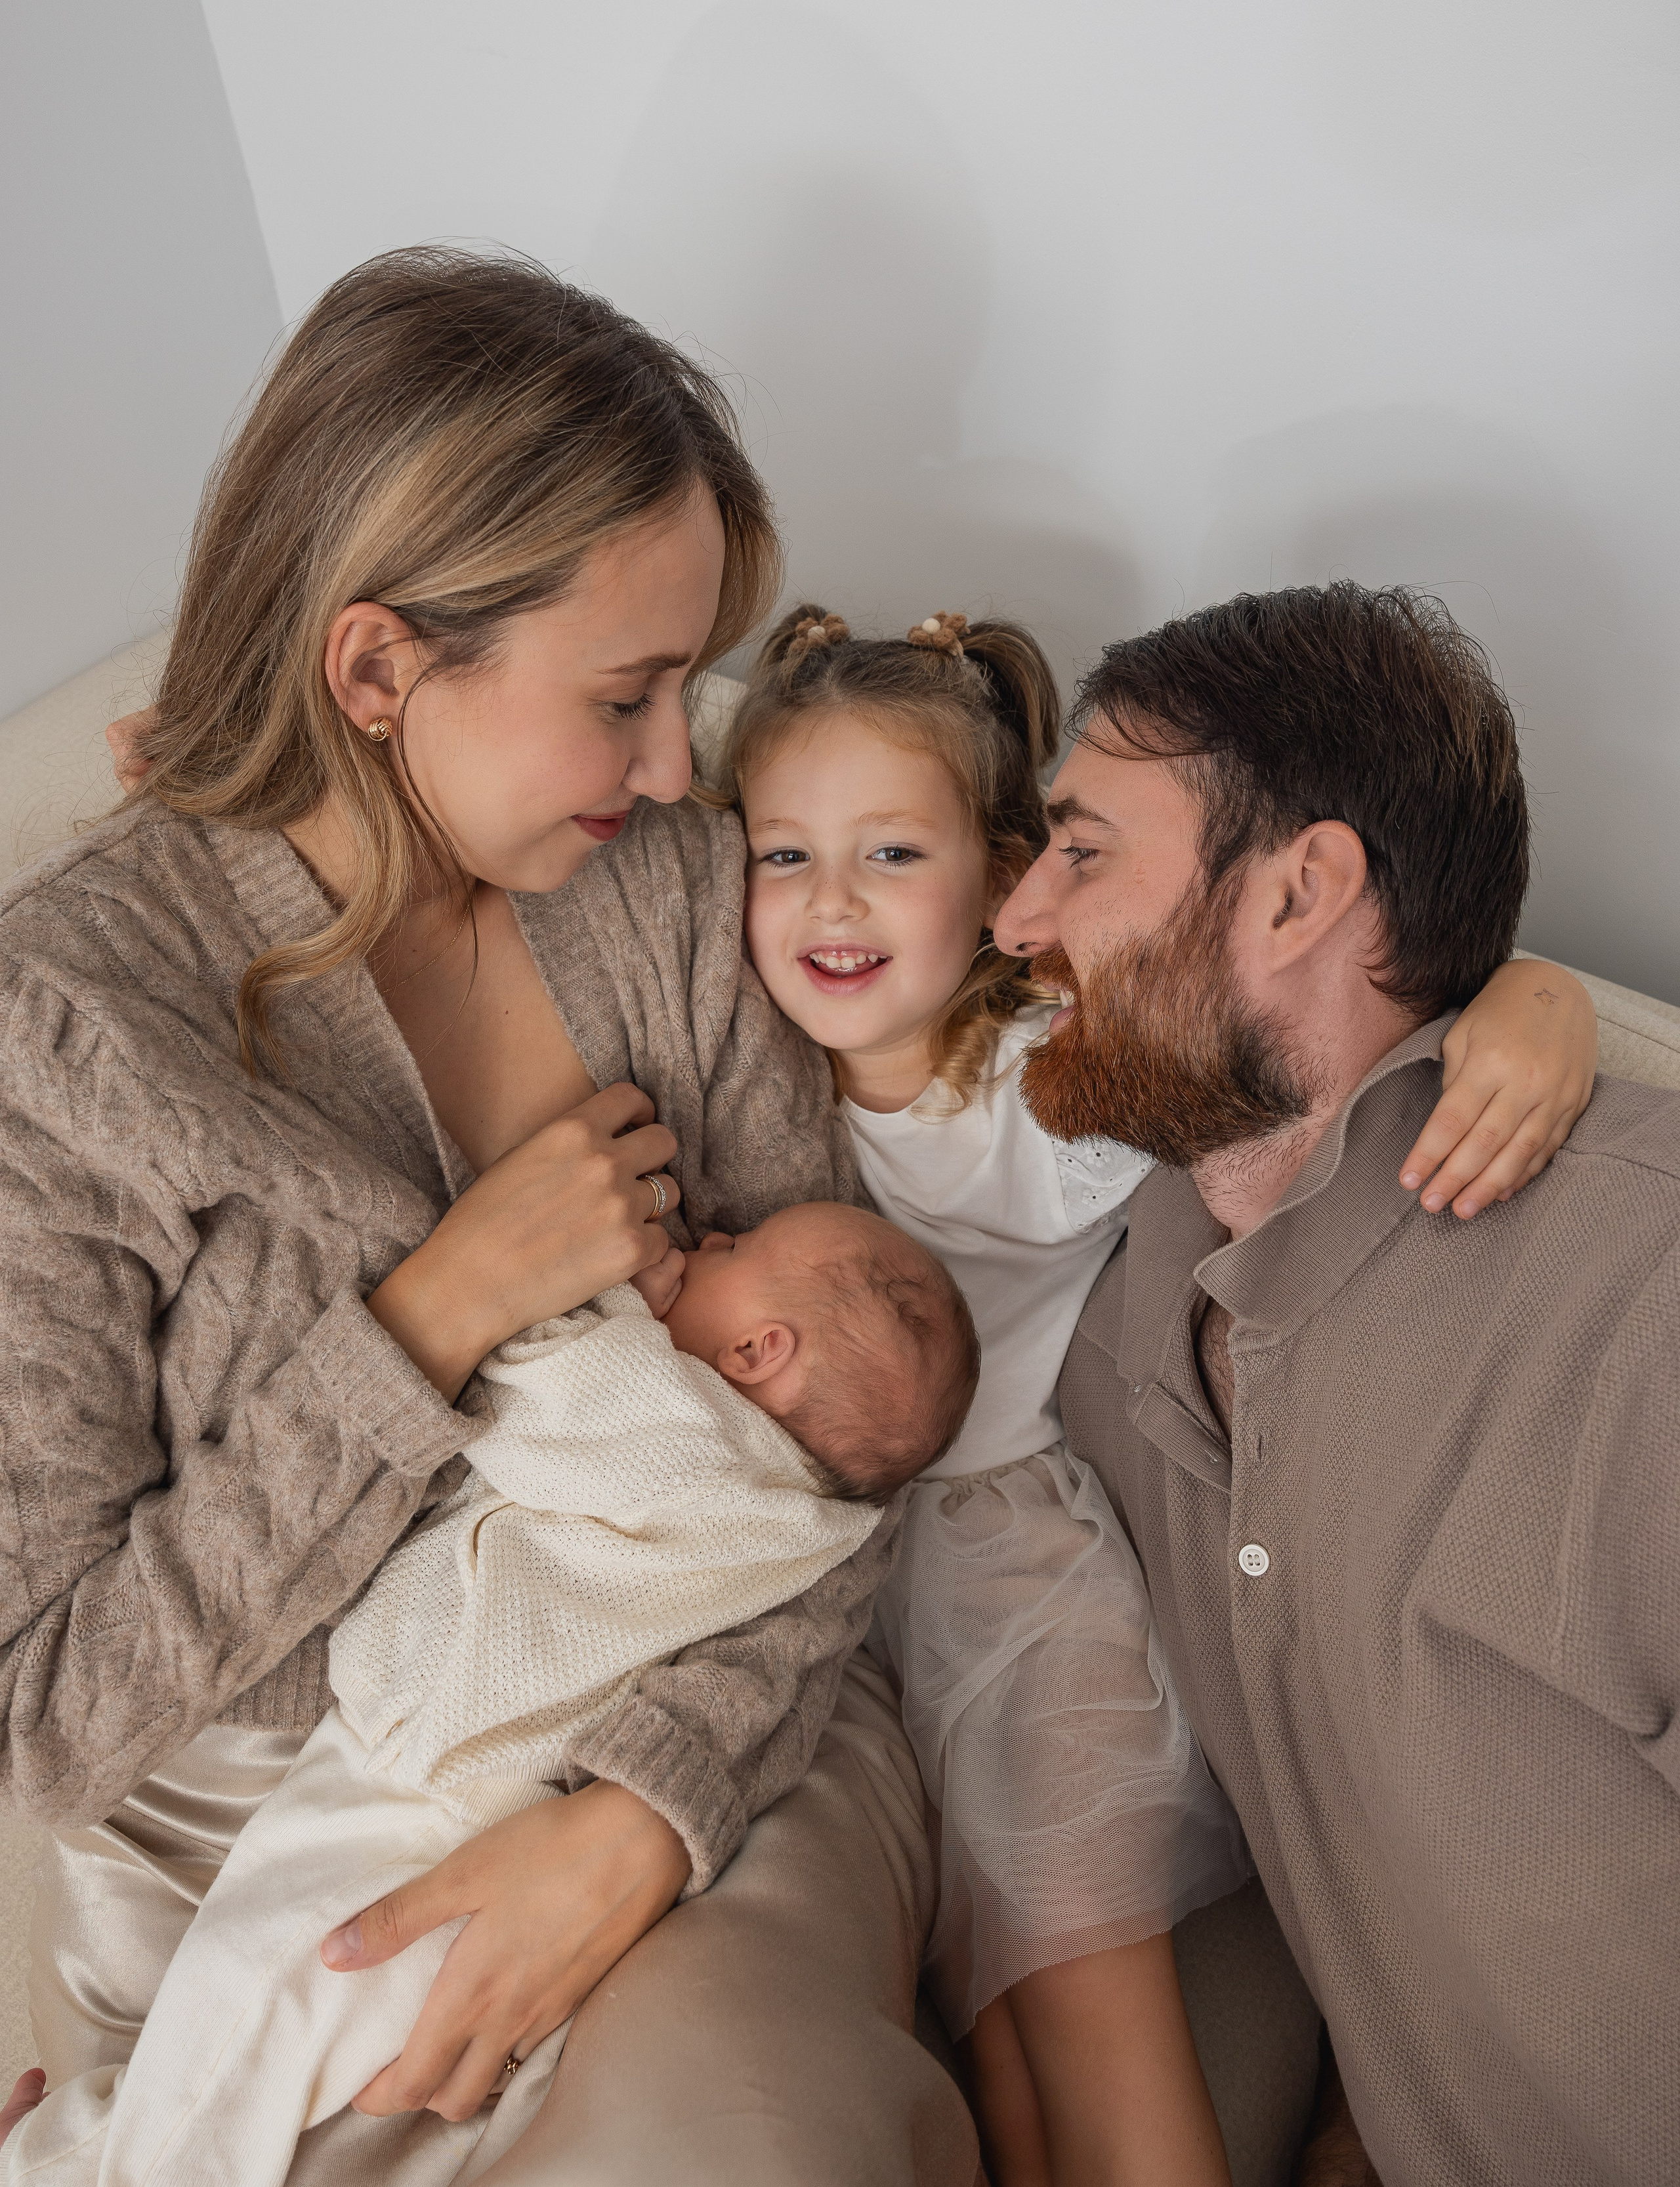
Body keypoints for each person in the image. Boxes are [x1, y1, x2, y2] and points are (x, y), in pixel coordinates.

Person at [0, 249, 978, 2183]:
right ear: (375, 670)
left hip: (728, 1705)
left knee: (728, 2151)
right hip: (279, 1846)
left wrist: (640, 1814)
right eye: (623, 695)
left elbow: (843, 1458)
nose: (680, 766)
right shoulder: (78, 1030)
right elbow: (55, 1713)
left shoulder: (681, 896)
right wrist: (428, 1319)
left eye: (682, 688)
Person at [700, 601, 1599, 2185]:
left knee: (1092, 2028)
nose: (829, 901)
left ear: (998, 880)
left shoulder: (1063, 1077)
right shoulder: (732, 1045)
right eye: (783, 857)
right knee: (1004, 2070)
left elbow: (1313, 1048)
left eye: (894, 858)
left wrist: (1533, 996)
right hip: (872, 1610)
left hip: (1023, 1586)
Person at [995, 580, 1677, 2187]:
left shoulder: (1644, 1299)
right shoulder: (1108, 1342)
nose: (1018, 918)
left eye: (1081, 850)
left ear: (1300, 891)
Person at [9, 1206, 979, 2186]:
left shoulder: (683, 1429)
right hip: (487, 1803)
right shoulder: (810, 1519)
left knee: (249, 2019)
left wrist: (607, 1298)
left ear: (757, 1351)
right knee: (258, 2041)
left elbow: (522, 1385)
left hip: (435, 1800)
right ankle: (71, 2156)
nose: (715, 1236)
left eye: (739, 1251)